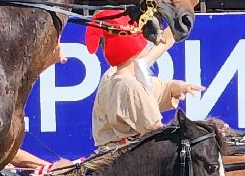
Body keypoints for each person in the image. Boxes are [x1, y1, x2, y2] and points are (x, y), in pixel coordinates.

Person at [86, 10, 203, 145]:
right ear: (136, 50)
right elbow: (156, 130)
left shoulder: (113, 77)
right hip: (126, 160)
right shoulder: (129, 86)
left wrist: (175, 87)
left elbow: (153, 90)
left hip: (112, 156)